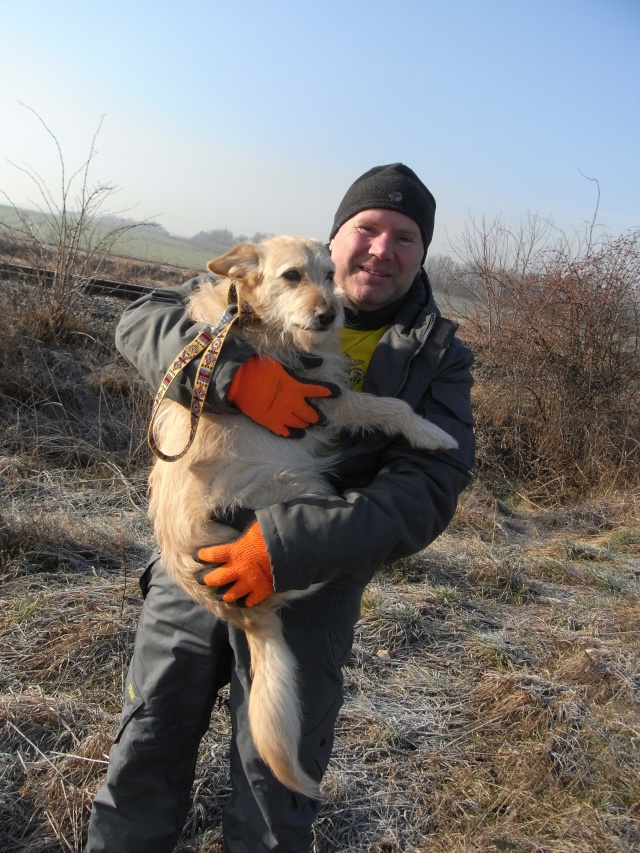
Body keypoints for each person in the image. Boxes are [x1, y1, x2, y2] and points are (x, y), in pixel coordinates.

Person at [85, 163, 475, 852]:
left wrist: (287, 546)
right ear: (336, 238)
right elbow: (141, 321)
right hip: (197, 550)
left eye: (406, 237)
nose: (383, 249)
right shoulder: (257, 279)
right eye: (368, 229)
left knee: (273, 799)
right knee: (145, 749)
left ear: (422, 254)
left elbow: (423, 491)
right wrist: (235, 376)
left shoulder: (437, 352)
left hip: (308, 577)